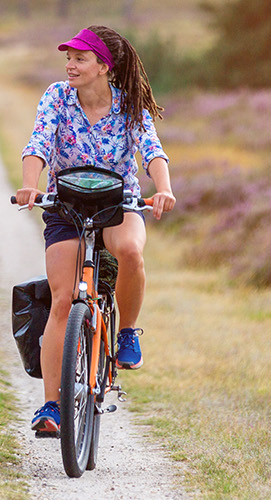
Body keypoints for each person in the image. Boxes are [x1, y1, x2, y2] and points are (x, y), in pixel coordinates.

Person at [15, 25, 176, 433]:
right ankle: (52, 406)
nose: (70, 65)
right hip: (65, 206)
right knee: (63, 300)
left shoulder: (129, 104)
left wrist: (163, 189)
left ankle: (125, 334)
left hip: (116, 205)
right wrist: (31, 184)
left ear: (104, 66)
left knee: (131, 253)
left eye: (80, 58)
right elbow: (38, 142)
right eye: (68, 58)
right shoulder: (56, 96)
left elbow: (151, 149)